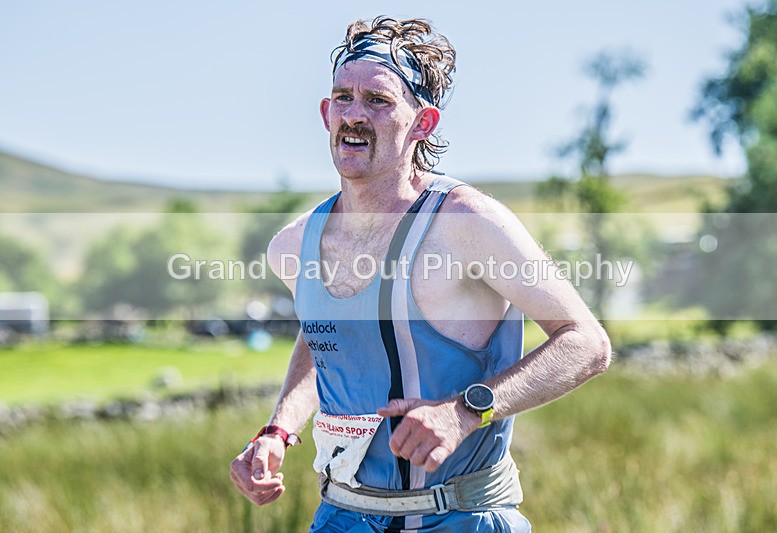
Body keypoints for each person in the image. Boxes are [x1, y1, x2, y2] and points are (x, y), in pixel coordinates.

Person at [230, 16, 611, 532]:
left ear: (423, 123)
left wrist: (465, 412)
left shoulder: (465, 222)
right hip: (340, 517)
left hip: (462, 516)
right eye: (342, 98)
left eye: (379, 101)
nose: (354, 116)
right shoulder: (293, 246)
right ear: (325, 114)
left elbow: (586, 342)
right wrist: (278, 429)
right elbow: (323, 341)